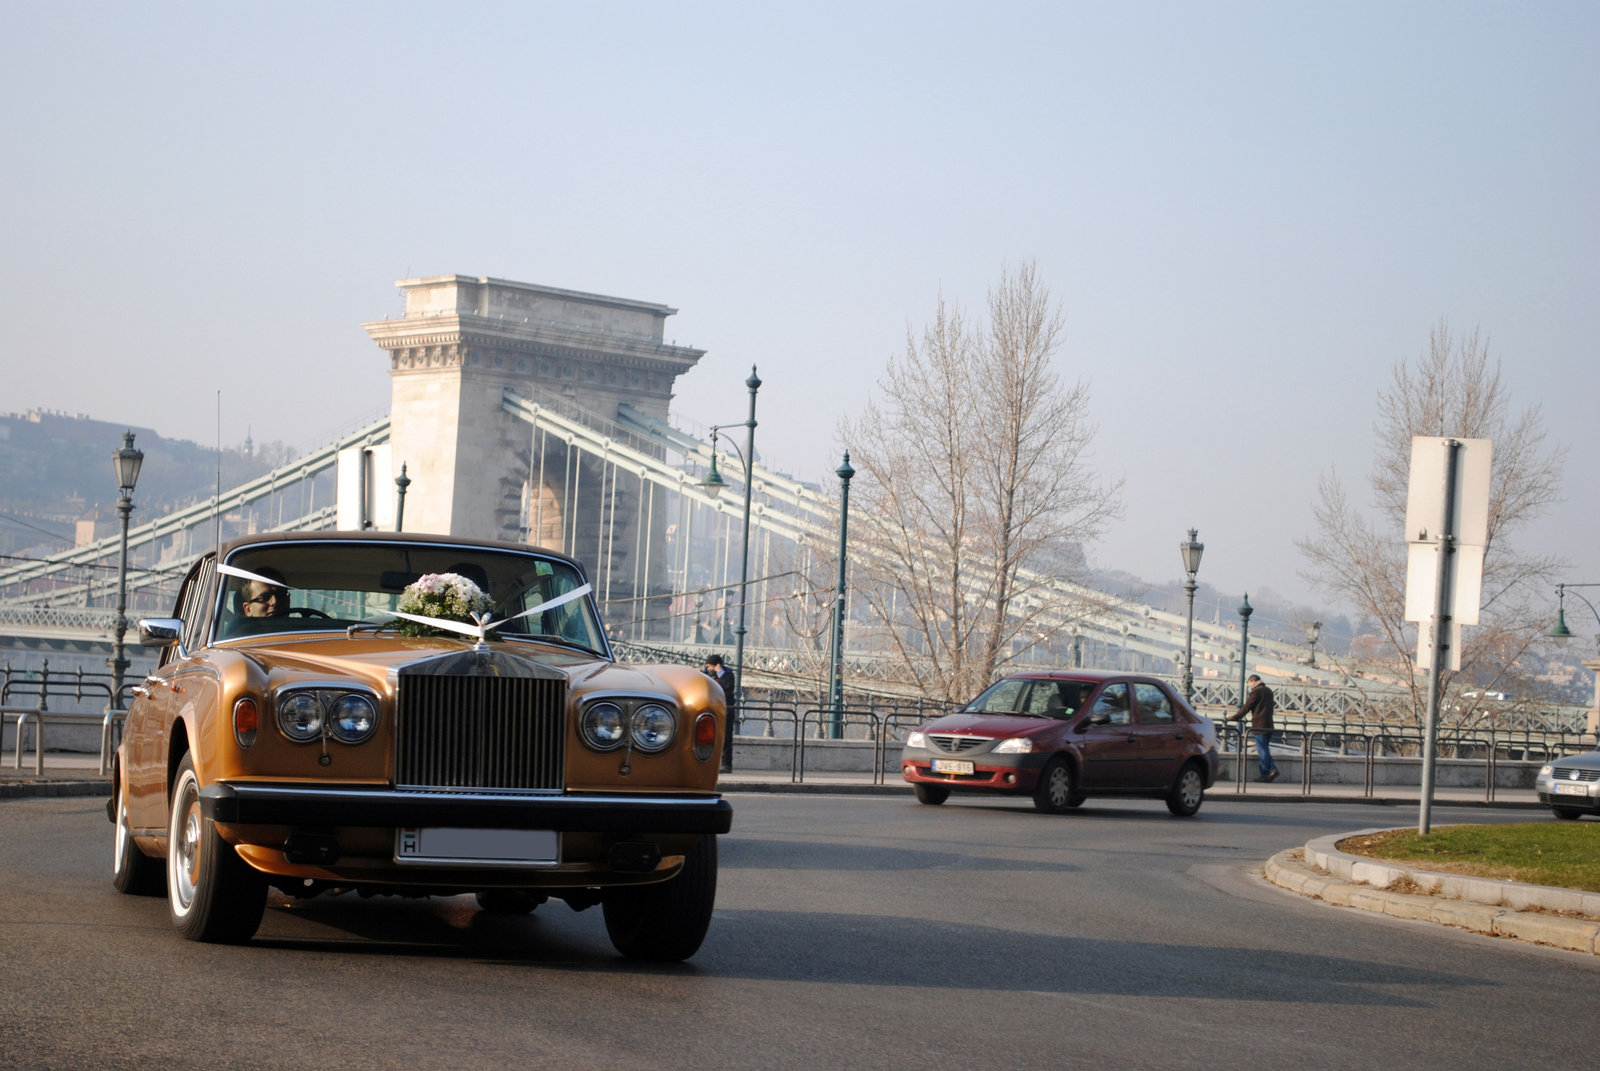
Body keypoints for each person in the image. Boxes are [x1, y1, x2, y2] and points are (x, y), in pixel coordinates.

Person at [1231, 674, 1279, 782]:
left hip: (1259, 726)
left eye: (1249, 684)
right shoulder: (1268, 691)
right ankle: (1272, 769)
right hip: (1269, 725)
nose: (1249, 686)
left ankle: (1264, 775)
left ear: (1253, 682)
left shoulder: (1256, 692)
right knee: (1265, 749)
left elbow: (1247, 707)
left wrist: (1235, 717)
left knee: (1262, 750)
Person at [703, 654, 736, 773]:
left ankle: (726, 765)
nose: (708, 669)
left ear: (717, 665)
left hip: (726, 709)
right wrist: (703, 673)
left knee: (726, 739)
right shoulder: (708, 676)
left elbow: (728, 686)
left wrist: (720, 672)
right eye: (706, 667)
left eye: (710, 666)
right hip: (712, 710)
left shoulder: (727, 675)